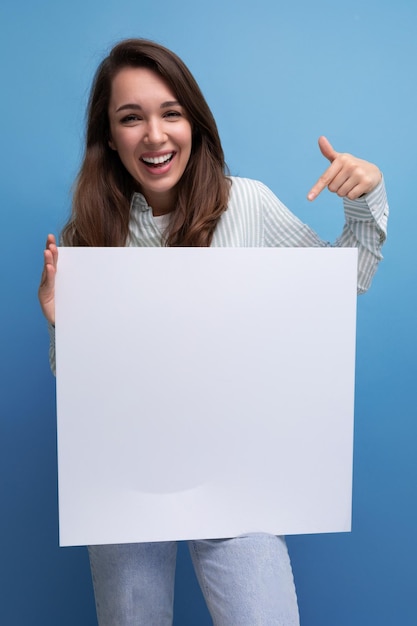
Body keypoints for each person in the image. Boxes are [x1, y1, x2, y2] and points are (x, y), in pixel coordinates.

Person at [38, 38, 388, 626]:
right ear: (109, 136)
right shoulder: (86, 235)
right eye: (131, 118)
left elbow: (335, 289)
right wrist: (66, 329)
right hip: (128, 479)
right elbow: (81, 394)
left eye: (170, 113)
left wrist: (365, 201)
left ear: (194, 123)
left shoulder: (243, 204)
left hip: (237, 477)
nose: (154, 135)